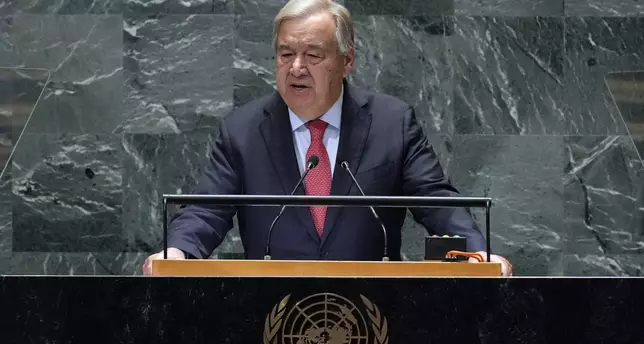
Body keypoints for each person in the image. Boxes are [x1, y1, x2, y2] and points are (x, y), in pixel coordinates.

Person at [143, 0, 512, 276]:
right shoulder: (242, 131)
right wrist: (177, 253)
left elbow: (435, 200)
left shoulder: (391, 123)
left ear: (347, 60)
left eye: (313, 55)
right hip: (270, 316)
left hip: (376, 315)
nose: (296, 67)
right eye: (286, 54)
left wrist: (480, 254)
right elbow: (207, 209)